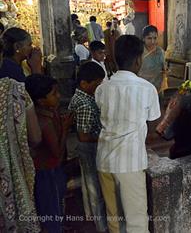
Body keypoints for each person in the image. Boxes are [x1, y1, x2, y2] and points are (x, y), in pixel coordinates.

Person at [95, 35, 160, 233]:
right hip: (130, 162)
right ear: (139, 59)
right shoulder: (147, 89)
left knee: (113, 217)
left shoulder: (102, 88)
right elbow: (154, 122)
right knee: (136, 221)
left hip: (104, 160)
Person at [0, 38, 42, 232]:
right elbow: (35, 137)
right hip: (10, 170)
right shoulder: (13, 87)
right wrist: (36, 67)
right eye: (27, 44)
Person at [25, 74, 73, 233]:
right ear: (40, 100)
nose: (58, 96)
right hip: (48, 172)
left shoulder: (50, 112)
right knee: (51, 210)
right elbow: (58, 154)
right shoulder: (43, 122)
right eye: (53, 94)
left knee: (56, 205)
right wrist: (65, 128)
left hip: (53, 171)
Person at [68, 62, 107, 232]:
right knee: (95, 187)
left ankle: (90, 213)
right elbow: (83, 136)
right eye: (96, 84)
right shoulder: (85, 104)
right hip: (89, 147)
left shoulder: (83, 96)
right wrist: (103, 138)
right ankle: (101, 225)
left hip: (88, 146)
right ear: (84, 83)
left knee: (89, 182)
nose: (99, 87)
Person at [138, 25, 166, 91]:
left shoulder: (160, 52)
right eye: (149, 38)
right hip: (142, 86)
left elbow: (164, 68)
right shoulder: (139, 52)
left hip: (157, 87)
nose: (153, 41)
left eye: (155, 38)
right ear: (143, 38)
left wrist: (166, 70)